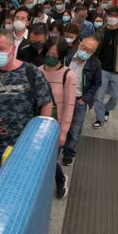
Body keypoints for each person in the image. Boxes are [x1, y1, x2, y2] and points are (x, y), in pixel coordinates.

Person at [0, 29, 52, 186]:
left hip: (24, 144)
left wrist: (39, 135)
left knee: (21, 184)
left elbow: (46, 103)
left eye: (1, 49)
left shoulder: (31, 72)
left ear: (13, 49)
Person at [38, 37, 77, 198]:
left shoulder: (68, 75)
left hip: (56, 124)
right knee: (39, 157)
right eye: (48, 53)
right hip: (38, 122)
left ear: (61, 55)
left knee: (48, 158)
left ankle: (60, 179)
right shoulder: (37, 71)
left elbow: (69, 105)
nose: (51, 57)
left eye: (55, 55)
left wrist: (63, 132)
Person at [62, 36, 101, 166]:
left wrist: (84, 100)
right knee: (58, 124)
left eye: (89, 50)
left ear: (93, 52)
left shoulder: (95, 64)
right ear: (79, 44)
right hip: (62, 97)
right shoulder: (66, 56)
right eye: (83, 47)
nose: (85, 51)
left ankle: (69, 154)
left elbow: (96, 84)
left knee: (75, 130)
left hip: (79, 100)